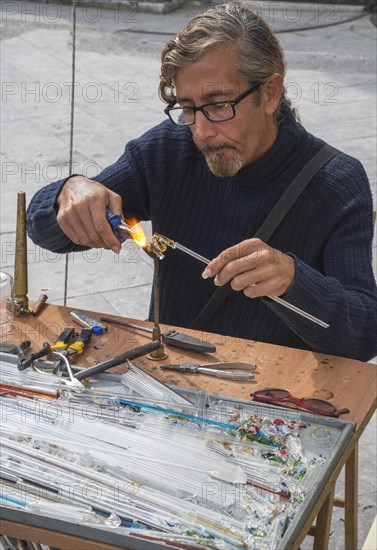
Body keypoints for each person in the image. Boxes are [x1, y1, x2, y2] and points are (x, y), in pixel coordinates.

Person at [27, 2, 377, 362]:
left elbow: (364, 337)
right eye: (188, 108)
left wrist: (294, 281)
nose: (202, 131)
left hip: (276, 395)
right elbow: (43, 230)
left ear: (270, 92)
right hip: (171, 380)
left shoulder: (336, 182)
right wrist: (69, 192)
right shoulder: (170, 150)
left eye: (219, 104)